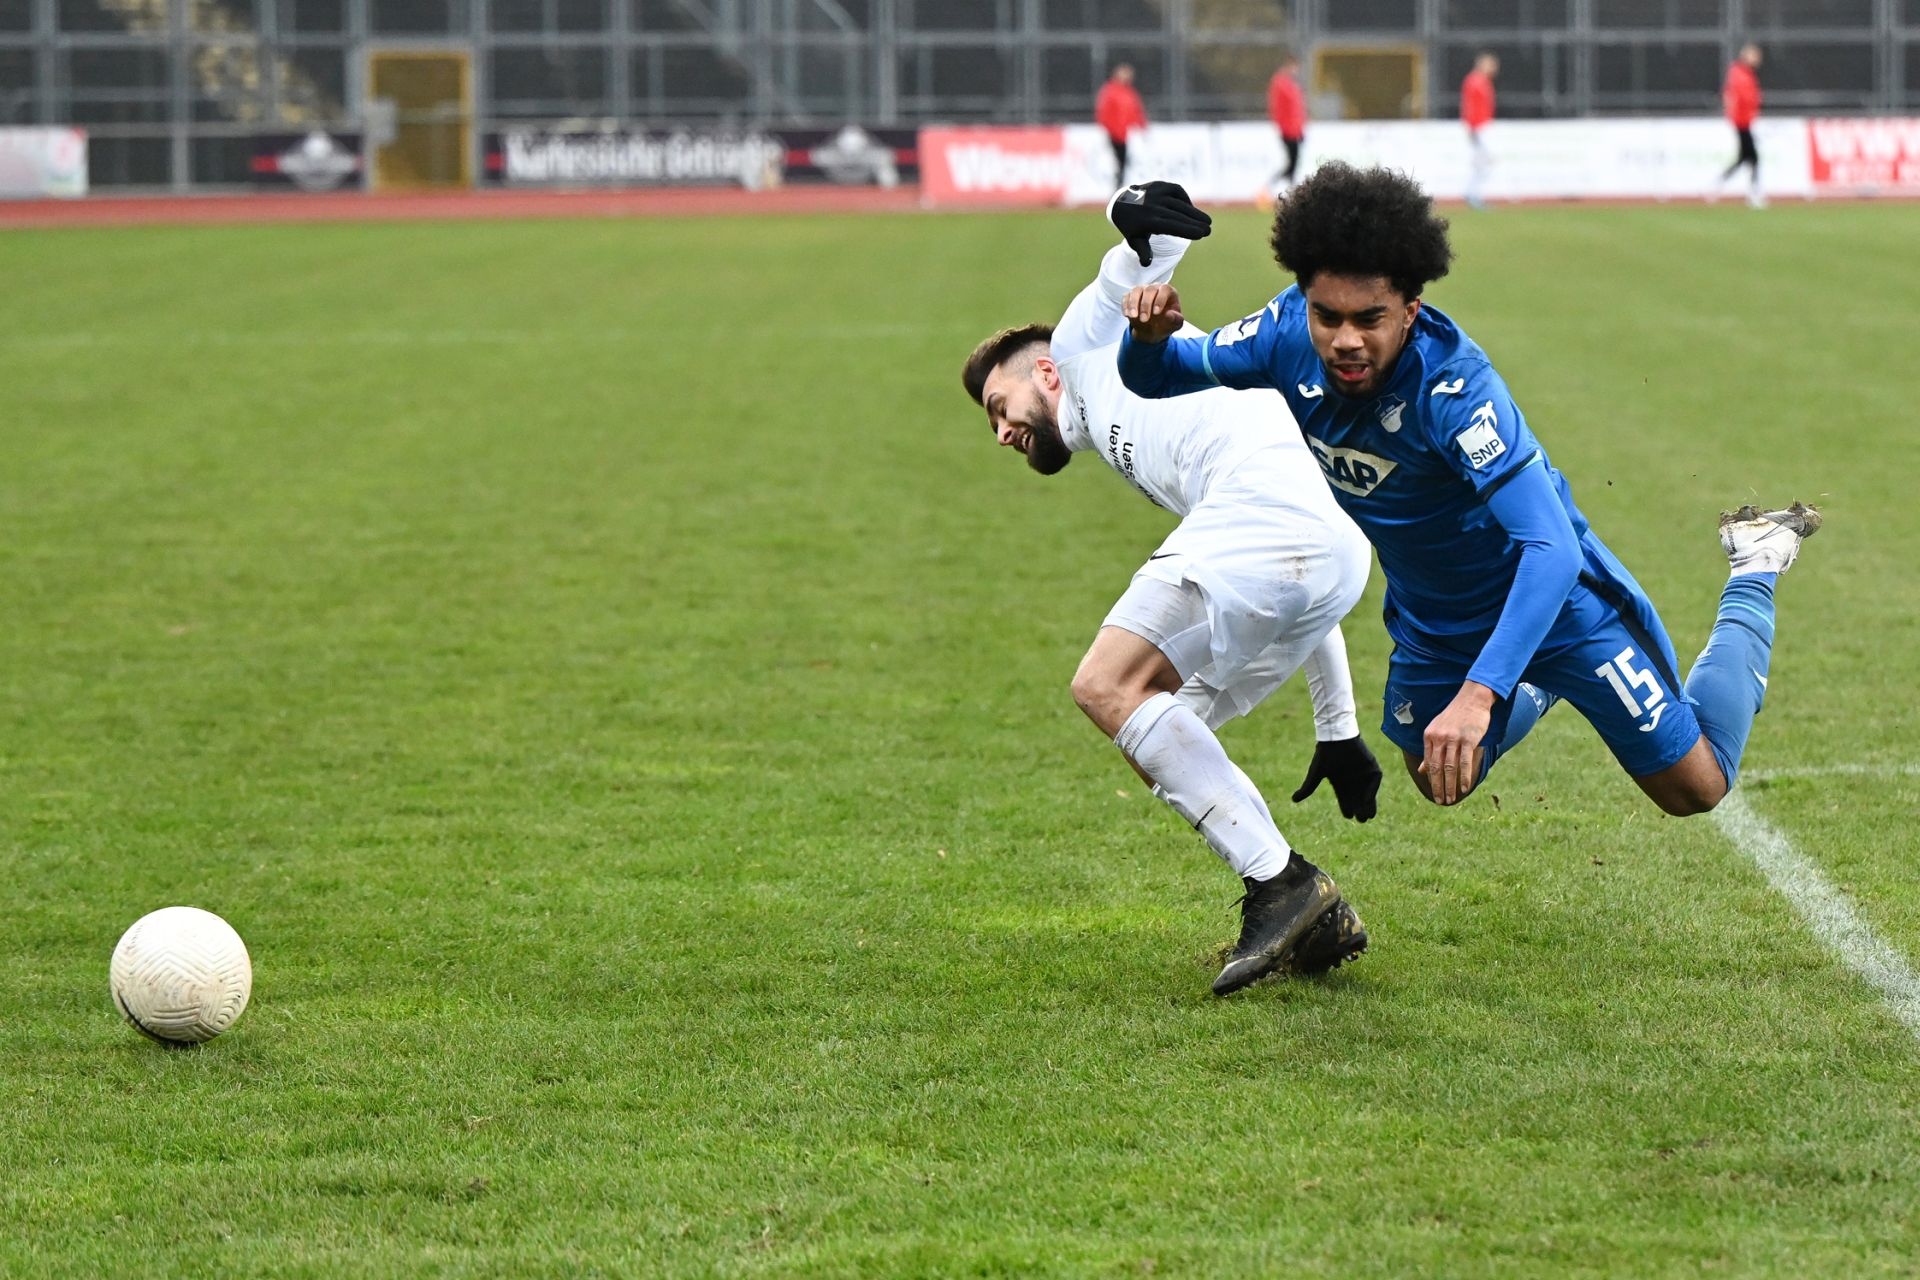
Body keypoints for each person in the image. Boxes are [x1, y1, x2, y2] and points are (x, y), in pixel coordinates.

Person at [1114, 162, 1821, 820]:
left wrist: (1480, 695)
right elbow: (1157, 377)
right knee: (1437, 775)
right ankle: (1533, 685)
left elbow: (1549, 547)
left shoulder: (1457, 392)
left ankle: (1754, 566)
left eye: (1370, 318)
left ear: (1411, 310)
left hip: (1549, 600)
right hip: (1435, 617)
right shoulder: (1280, 333)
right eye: (1328, 316)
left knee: (1693, 789)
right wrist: (1142, 339)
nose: (1345, 340)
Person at [960, 182, 1380, 995]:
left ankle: (1284, 886)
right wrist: (1337, 727)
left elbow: (1139, 257)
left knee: (1105, 684)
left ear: (1042, 371)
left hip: (1271, 518)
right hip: (1323, 550)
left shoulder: (1082, 345)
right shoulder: (1151, 437)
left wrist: (1142, 215)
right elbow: (1303, 578)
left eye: (998, 406)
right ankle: (1305, 906)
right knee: (1156, 726)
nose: (1003, 432)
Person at [1719, 43, 1766, 208]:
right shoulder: (1739, 74)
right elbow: (1737, 98)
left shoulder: (1745, 74)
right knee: (1752, 158)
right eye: (1755, 56)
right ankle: (1753, 193)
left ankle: (1720, 183)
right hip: (1742, 122)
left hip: (1745, 122)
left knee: (1745, 158)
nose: (1758, 59)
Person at [1095, 64, 1148, 186]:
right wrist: (1108, 129)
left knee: (1123, 163)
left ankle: (1120, 188)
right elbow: (1104, 112)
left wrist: (1141, 125)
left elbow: (1136, 111)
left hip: (1125, 134)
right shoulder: (1111, 91)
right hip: (1114, 133)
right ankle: (1117, 188)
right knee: (1118, 162)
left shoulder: (1129, 92)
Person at [1266, 54, 1307, 202]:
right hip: (1289, 130)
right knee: (1292, 164)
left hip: (1295, 130)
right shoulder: (1281, 84)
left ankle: (1289, 192)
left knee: (1293, 163)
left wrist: (1301, 129)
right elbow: (1281, 108)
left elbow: (1298, 110)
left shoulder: (1290, 85)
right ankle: (1272, 186)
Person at [1460, 52, 1498, 209]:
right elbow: (1468, 105)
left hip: (1483, 126)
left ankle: (1472, 193)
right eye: (1491, 64)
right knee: (1485, 162)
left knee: (1482, 163)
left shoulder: (1484, 81)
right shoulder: (1474, 81)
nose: (1495, 68)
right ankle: (1473, 195)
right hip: (1479, 127)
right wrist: (1470, 126)